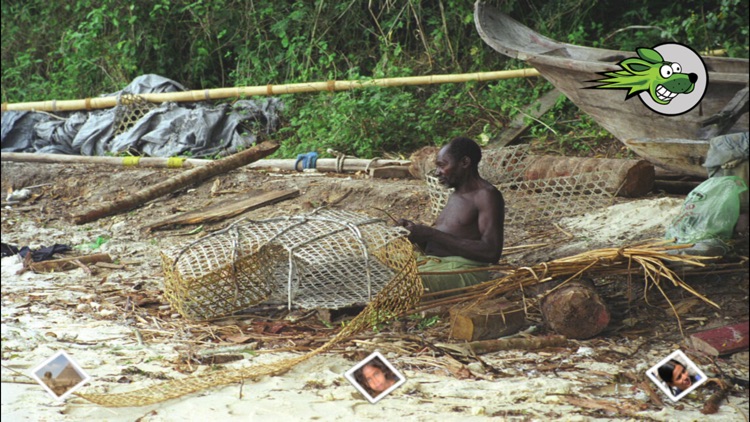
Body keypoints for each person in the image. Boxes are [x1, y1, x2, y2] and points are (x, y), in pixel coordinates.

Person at [398, 137, 504, 295]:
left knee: (400, 283)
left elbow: (491, 252)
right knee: (375, 267)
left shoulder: (486, 195)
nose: (437, 172)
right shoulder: (456, 194)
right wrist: (415, 234)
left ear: (465, 163)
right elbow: (442, 243)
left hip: (465, 271)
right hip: (436, 264)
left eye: (442, 165)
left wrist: (431, 233)